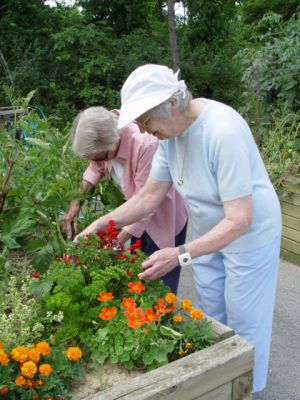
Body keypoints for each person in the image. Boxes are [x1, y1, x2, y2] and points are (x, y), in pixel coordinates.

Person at [74, 65, 282, 393]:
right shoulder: (169, 138)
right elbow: (146, 199)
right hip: (208, 230)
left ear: (171, 105)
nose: (142, 129)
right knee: (211, 313)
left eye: (145, 121)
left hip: (249, 235)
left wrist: (180, 254)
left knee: (245, 320)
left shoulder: (221, 130)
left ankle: (246, 390)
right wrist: (99, 226)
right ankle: (219, 386)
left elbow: (239, 219)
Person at [62, 106, 188, 294]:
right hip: (135, 212)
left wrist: (112, 243)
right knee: (139, 271)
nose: (99, 162)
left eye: (101, 157)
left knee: (159, 279)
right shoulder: (106, 131)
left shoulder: (145, 144)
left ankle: (165, 315)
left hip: (163, 216)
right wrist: (75, 203)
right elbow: (95, 167)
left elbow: (146, 203)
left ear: (112, 142)